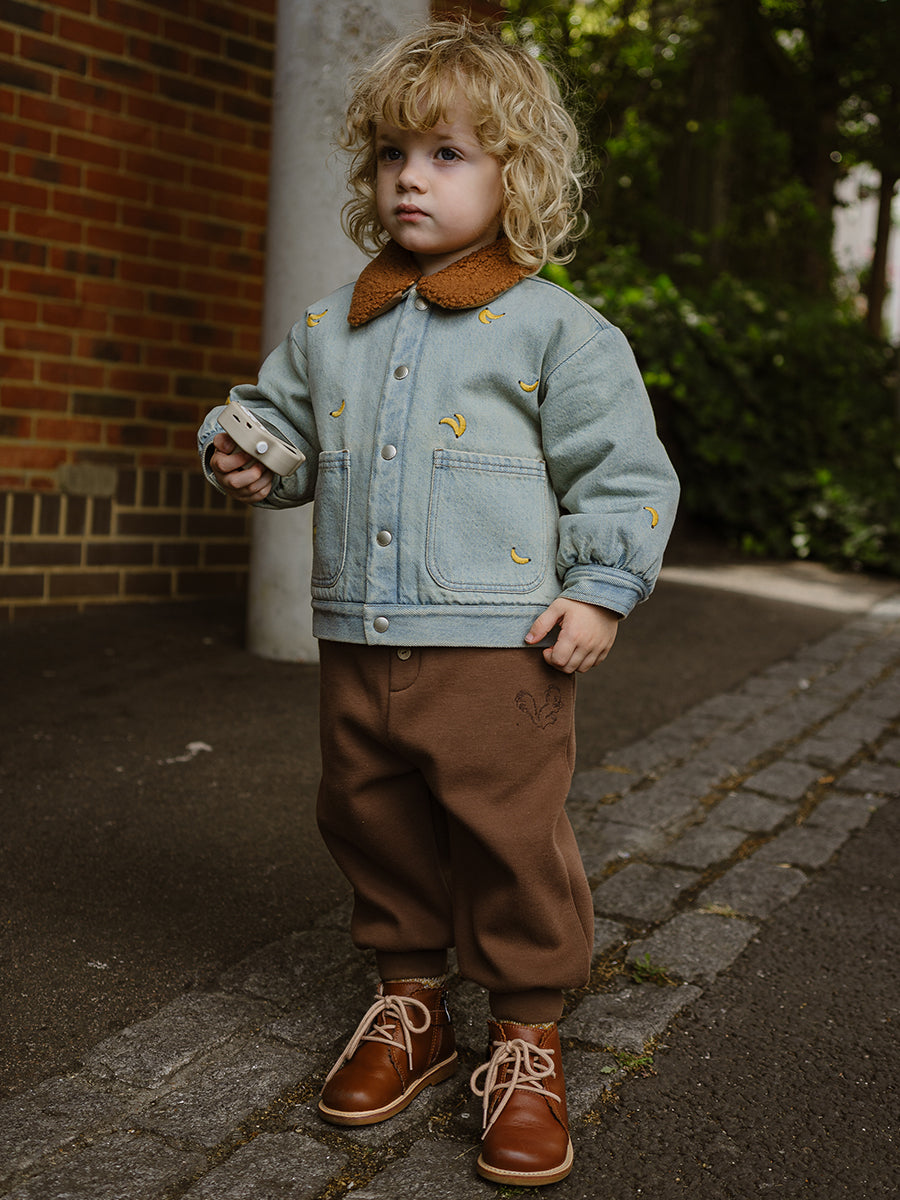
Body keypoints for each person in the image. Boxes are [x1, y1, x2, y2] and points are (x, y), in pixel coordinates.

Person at [198, 19, 679, 1187]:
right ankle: (411, 1005)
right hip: (360, 640)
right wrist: (244, 452)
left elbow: (621, 474)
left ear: (520, 174)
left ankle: (526, 1032)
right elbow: (280, 427)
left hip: (503, 649)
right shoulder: (332, 327)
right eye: (393, 154)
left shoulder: (561, 332)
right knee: (371, 818)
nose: (411, 176)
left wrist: (600, 591)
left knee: (510, 838)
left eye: (449, 153)